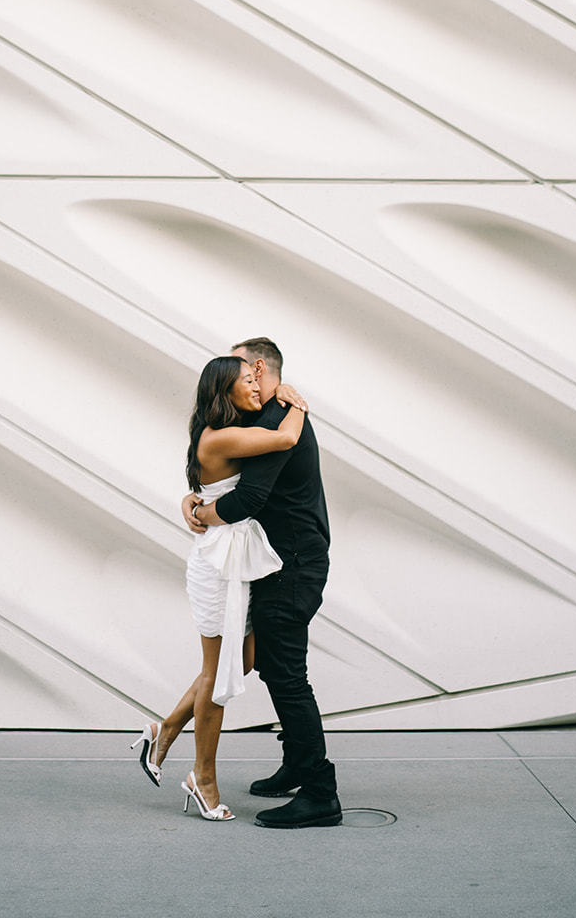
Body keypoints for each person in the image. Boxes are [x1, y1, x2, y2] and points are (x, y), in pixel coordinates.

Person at [131, 353, 308, 821]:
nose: (255, 383)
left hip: (235, 561)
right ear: (223, 391)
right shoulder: (222, 435)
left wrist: (193, 504)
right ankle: (202, 779)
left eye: (257, 376)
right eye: (246, 379)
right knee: (216, 674)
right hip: (216, 567)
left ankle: (164, 731)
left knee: (242, 660)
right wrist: (294, 397)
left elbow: (204, 494)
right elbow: (287, 436)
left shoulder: (219, 432)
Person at [183, 337, 342, 829]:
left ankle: (320, 793)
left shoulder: (278, 418)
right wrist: (191, 501)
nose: (243, 378)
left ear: (255, 367)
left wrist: (204, 513)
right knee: (274, 669)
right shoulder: (267, 415)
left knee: (289, 676)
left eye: (245, 369)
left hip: (294, 564)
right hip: (283, 561)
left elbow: (247, 499)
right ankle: (297, 765)